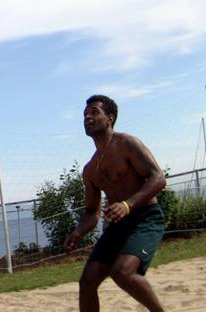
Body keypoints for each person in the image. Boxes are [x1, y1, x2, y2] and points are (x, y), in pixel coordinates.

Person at [64, 95, 167, 312]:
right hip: (118, 225)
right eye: (85, 114)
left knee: (122, 272)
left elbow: (158, 178)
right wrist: (78, 232)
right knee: (87, 282)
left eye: (94, 112)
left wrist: (127, 204)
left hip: (146, 217)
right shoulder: (90, 169)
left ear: (110, 118)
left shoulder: (127, 144)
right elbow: (91, 212)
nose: (88, 117)